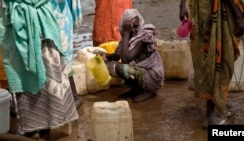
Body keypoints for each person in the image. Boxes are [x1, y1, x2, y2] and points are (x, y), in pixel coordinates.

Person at [1, 0, 79, 139]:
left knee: (38, 76)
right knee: (29, 77)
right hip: (25, 27)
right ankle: (37, 127)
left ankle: (40, 127)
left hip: (36, 29)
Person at [179, 0, 244, 128]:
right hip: (212, 13)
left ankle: (214, 108)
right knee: (218, 60)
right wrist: (238, 16)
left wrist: (182, 4)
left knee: (209, 59)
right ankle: (210, 116)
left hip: (203, 14)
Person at [97, 9, 164, 103]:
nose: (134, 30)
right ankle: (136, 89)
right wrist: (106, 56)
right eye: (129, 27)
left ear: (140, 23)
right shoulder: (126, 39)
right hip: (141, 71)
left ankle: (148, 91)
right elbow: (117, 56)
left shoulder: (143, 37)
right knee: (108, 65)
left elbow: (125, 60)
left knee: (121, 68)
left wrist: (127, 33)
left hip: (151, 76)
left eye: (136, 26)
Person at [50, 0, 83, 109]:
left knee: (63, 59)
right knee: (52, 59)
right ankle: (67, 97)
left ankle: (73, 96)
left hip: (59, 20)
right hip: (54, 18)